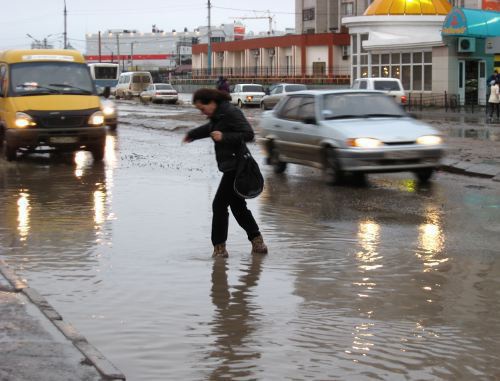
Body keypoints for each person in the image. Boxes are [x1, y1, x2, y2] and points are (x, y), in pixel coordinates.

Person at [183, 88, 268, 258]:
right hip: (231, 165)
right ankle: (257, 242)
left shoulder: (230, 112)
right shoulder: (218, 115)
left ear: (211, 102)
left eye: (202, 108)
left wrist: (224, 137)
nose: (202, 112)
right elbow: (210, 129)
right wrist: (192, 134)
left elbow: (248, 134)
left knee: (219, 205)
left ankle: (220, 248)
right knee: (237, 206)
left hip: (238, 166)